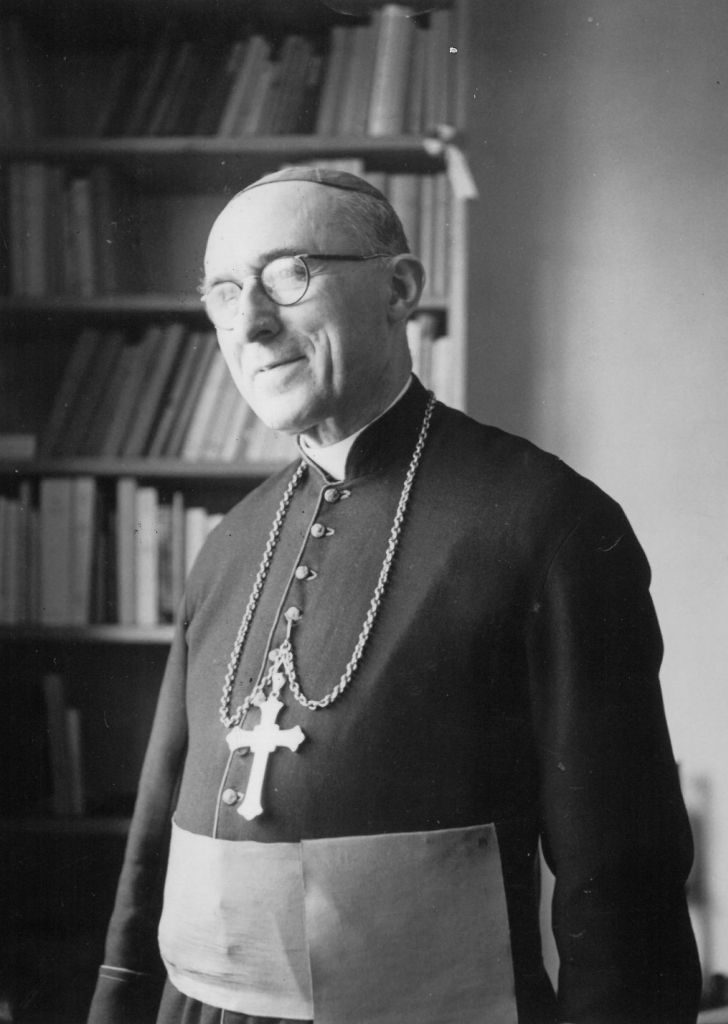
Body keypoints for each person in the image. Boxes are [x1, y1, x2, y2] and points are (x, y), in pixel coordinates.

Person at [88, 166, 701, 1024]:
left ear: (400, 288)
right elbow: (154, 841)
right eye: (224, 293)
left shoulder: (548, 523)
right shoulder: (230, 542)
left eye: (289, 275)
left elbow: (623, 888)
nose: (252, 323)